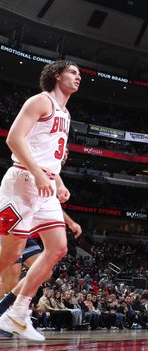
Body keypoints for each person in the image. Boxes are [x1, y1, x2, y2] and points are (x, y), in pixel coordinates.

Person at [0, 60, 79, 341]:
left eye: (79, 73)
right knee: (10, 256)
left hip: (44, 186)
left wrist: (58, 182)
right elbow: (13, 139)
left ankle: (17, 313)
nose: (78, 76)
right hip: (22, 181)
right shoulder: (40, 101)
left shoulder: (66, 113)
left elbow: (48, 156)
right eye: (72, 72)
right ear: (57, 75)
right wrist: (39, 174)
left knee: (58, 248)